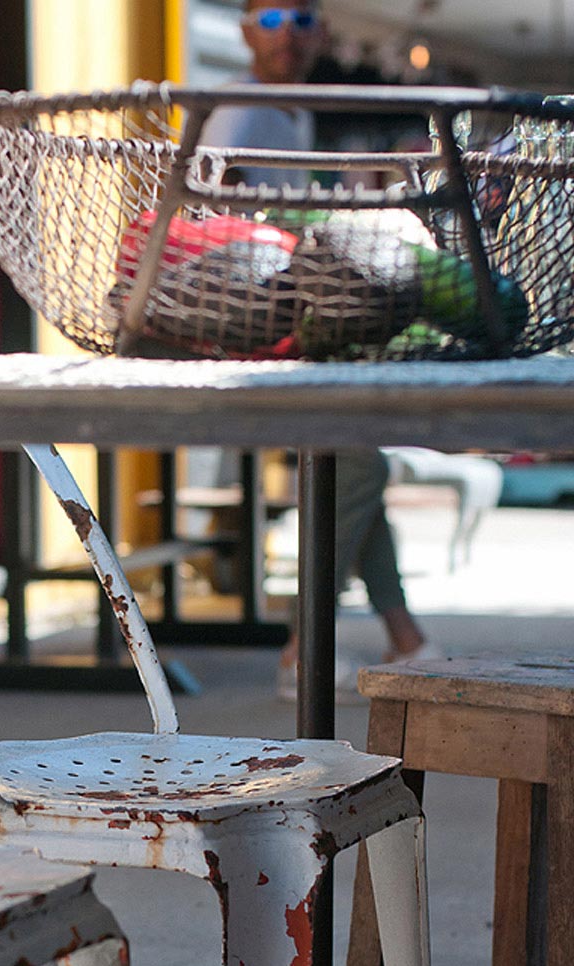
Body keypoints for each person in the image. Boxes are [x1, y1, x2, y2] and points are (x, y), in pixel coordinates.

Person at [200, 0, 437, 699]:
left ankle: (407, 639)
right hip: (248, 327)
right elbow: (207, 206)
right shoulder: (242, 109)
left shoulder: (294, 110)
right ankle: (302, 650)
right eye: (272, 19)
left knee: (353, 461)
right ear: (246, 31)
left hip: (293, 320)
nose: (288, 36)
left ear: (322, 34)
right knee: (358, 464)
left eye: (302, 20)